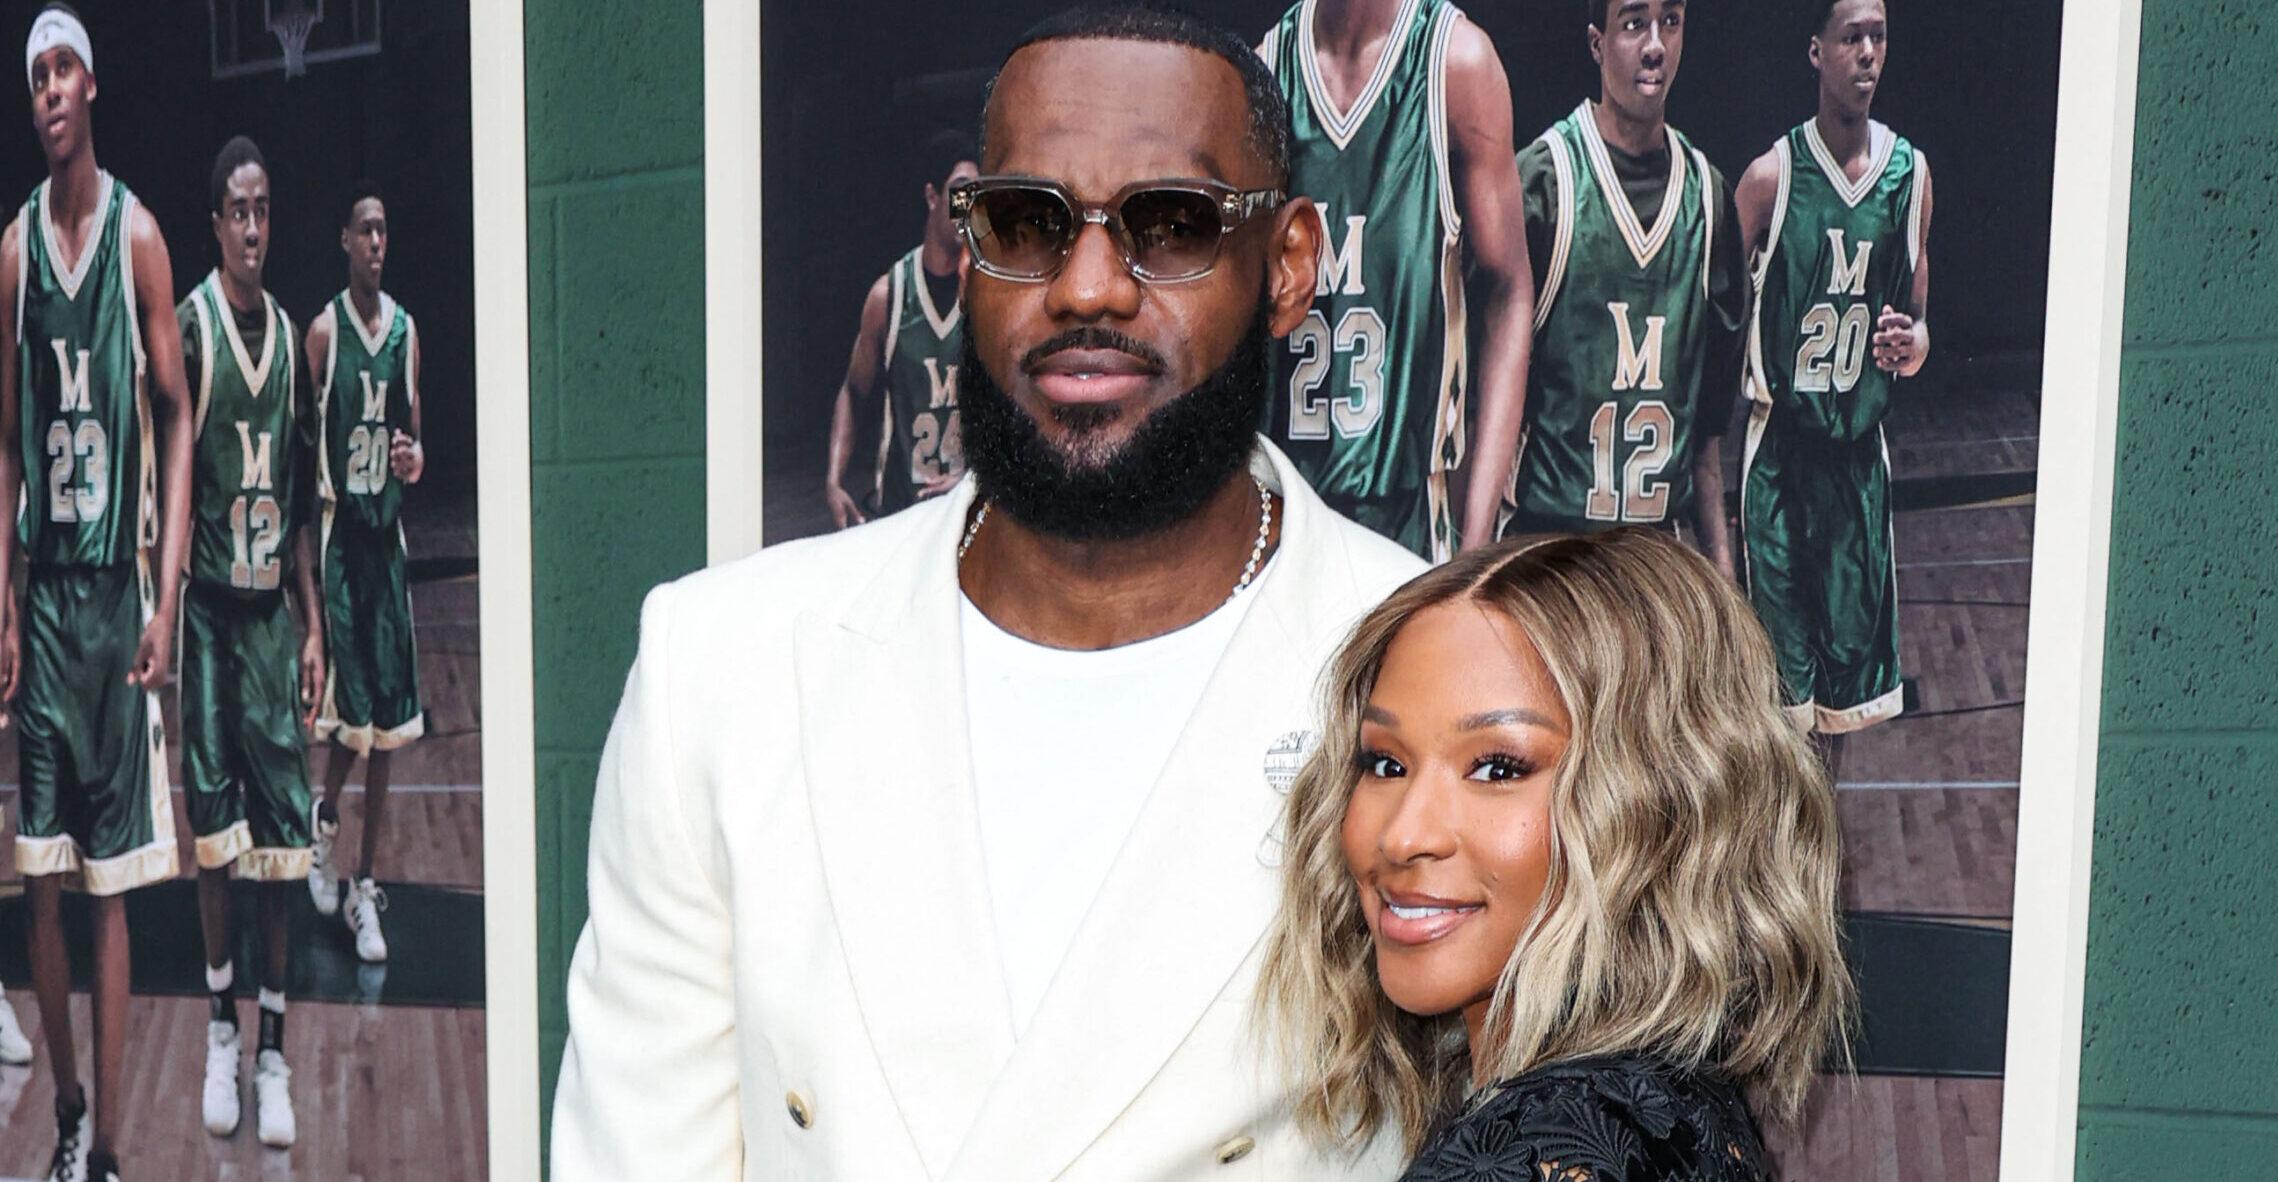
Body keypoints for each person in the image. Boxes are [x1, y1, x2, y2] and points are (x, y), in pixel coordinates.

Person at [550, 7, 1422, 1178]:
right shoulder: (724, 671)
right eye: (1027, 222)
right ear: (966, 252)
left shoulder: (1434, 669)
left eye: (1170, 226)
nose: (1089, 287)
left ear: (1290, 264)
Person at [1258, 528, 1852, 1180]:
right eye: (1385, 762)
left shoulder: (1532, 1148)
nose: (1403, 836)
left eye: (1497, 769)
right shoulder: (1664, 1105)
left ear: (1658, 806)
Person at [0, 7, 198, 1180]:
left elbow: (177, 416)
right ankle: (67, 1104)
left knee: (113, 889)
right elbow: (8, 447)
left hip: (116, 605)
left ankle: (112, 1147)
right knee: (40, 883)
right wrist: (2, 596)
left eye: (65, 69)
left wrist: (164, 593)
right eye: (34, 77)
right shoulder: (15, 253)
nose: (51, 91)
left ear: (95, 86)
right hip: (45, 604)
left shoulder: (139, 239)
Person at [1256, 0, 1534, 561]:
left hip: (1408, 520)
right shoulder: (1267, 69)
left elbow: (1510, 292)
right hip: (1284, 516)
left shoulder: (1455, 63)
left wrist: (1475, 540)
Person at [1734, 0, 1933, 739]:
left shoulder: (1910, 175)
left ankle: (1819, 852)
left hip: (1857, 463)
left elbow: (1919, 322)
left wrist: (1910, 345)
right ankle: (1783, 852)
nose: (1869, 53)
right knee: (1781, 708)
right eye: (1852, 37)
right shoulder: (1769, 178)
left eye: (1879, 36)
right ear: (1816, 51)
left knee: (1845, 709)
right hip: (1782, 458)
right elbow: (1718, 309)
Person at [179, 135, 323, 1150]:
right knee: (216, 845)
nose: (255, 225)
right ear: (216, 221)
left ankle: (273, 1047)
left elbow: (306, 505)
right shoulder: (187, 330)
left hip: (271, 616)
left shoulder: (292, 341)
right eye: (239, 208)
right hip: (204, 615)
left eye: (265, 207)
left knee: (280, 849)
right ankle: (220, 1028)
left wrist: (314, 625)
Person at [1497, 0, 1745, 571]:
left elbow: (1706, 442)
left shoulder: (1708, 200)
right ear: (1596, 43)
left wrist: (1725, 578)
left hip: (1656, 559)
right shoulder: (1543, 181)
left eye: (1672, 22)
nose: (1655, 44)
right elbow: (1483, 405)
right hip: (1547, 554)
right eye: (1634, 24)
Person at [304, 180, 425, 964]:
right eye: (366, 231)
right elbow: (296, 439)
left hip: (388, 550)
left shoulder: (410, 332)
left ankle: (364, 885)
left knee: (385, 735)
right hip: (341, 547)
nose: (377, 243)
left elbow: (417, 438)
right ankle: (323, 825)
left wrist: (416, 459)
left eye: (385, 231)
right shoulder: (323, 333)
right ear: (344, 241)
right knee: (352, 724)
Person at [824, 130, 978, 529]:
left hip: (967, 513)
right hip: (900, 514)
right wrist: (834, 480)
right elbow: (853, 391)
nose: (968, 209)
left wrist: (977, 476)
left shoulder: (987, 292)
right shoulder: (889, 296)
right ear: (932, 197)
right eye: (960, 194)